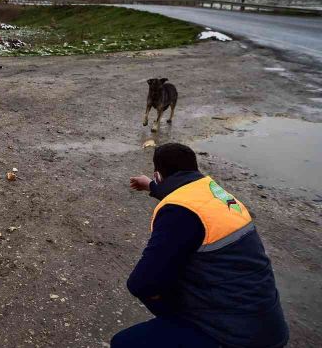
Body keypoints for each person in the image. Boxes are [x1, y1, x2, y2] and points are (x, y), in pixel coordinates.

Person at [112, 143, 289, 348]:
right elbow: (189, 197)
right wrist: (151, 186)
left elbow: (142, 283)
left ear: (158, 174)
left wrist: (165, 304)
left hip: (235, 336)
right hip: (270, 325)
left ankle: (181, 325)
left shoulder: (178, 213)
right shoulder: (217, 194)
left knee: (124, 343)